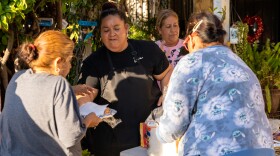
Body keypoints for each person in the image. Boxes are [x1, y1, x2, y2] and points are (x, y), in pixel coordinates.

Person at [156, 12, 274, 156]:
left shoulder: (192, 61)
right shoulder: (241, 63)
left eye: (186, 45)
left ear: (192, 38)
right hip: (263, 150)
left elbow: (173, 124)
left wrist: (158, 134)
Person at [78, 2, 172, 156]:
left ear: (126, 29)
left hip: (148, 138)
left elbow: (167, 72)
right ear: (100, 34)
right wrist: (82, 104)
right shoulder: (94, 62)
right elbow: (86, 94)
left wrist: (166, 92)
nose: (112, 34)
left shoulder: (148, 50)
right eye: (106, 30)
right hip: (112, 142)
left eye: (116, 28)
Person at [0, 30, 102, 156]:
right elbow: (71, 137)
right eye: (69, 60)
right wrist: (88, 121)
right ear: (58, 62)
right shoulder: (59, 84)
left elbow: (38, 97)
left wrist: (71, 90)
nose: (70, 66)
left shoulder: (18, 77)